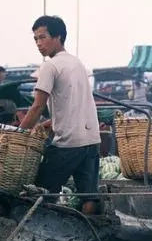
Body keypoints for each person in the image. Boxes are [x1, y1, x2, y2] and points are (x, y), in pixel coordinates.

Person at [19, 15, 101, 214]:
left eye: (43, 37)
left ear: (58, 37)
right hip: (91, 139)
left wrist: (18, 134)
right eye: (36, 39)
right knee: (87, 195)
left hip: (68, 144)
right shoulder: (77, 64)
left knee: (41, 192)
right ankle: (89, 234)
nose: (39, 43)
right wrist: (49, 124)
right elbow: (73, 106)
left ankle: (40, 231)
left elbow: (37, 107)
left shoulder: (50, 66)